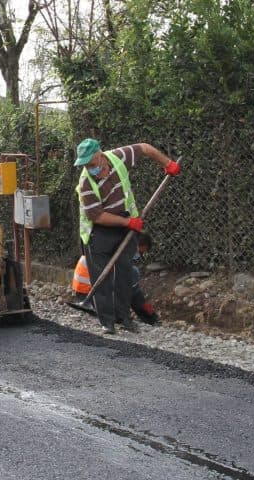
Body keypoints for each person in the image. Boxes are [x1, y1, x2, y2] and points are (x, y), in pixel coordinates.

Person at [74, 138, 180, 334]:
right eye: (85, 165)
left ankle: (124, 318)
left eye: (90, 163)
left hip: (125, 223)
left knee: (124, 272)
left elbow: (145, 148)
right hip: (99, 231)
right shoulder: (86, 183)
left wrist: (168, 163)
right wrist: (128, 223)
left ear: (99, 154)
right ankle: (107, 321)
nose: (89, 168)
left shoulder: (118, 157)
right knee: (102, 276)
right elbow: (97, 216)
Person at [72, 231, 159, 326]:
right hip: (92, 297)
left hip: (83, 294)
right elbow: (132, 294)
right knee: (132, 273)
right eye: (141, 252)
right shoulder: (119, 254)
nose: (140, 256)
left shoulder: (111, 243)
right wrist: (149, 315)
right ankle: (146, 317)